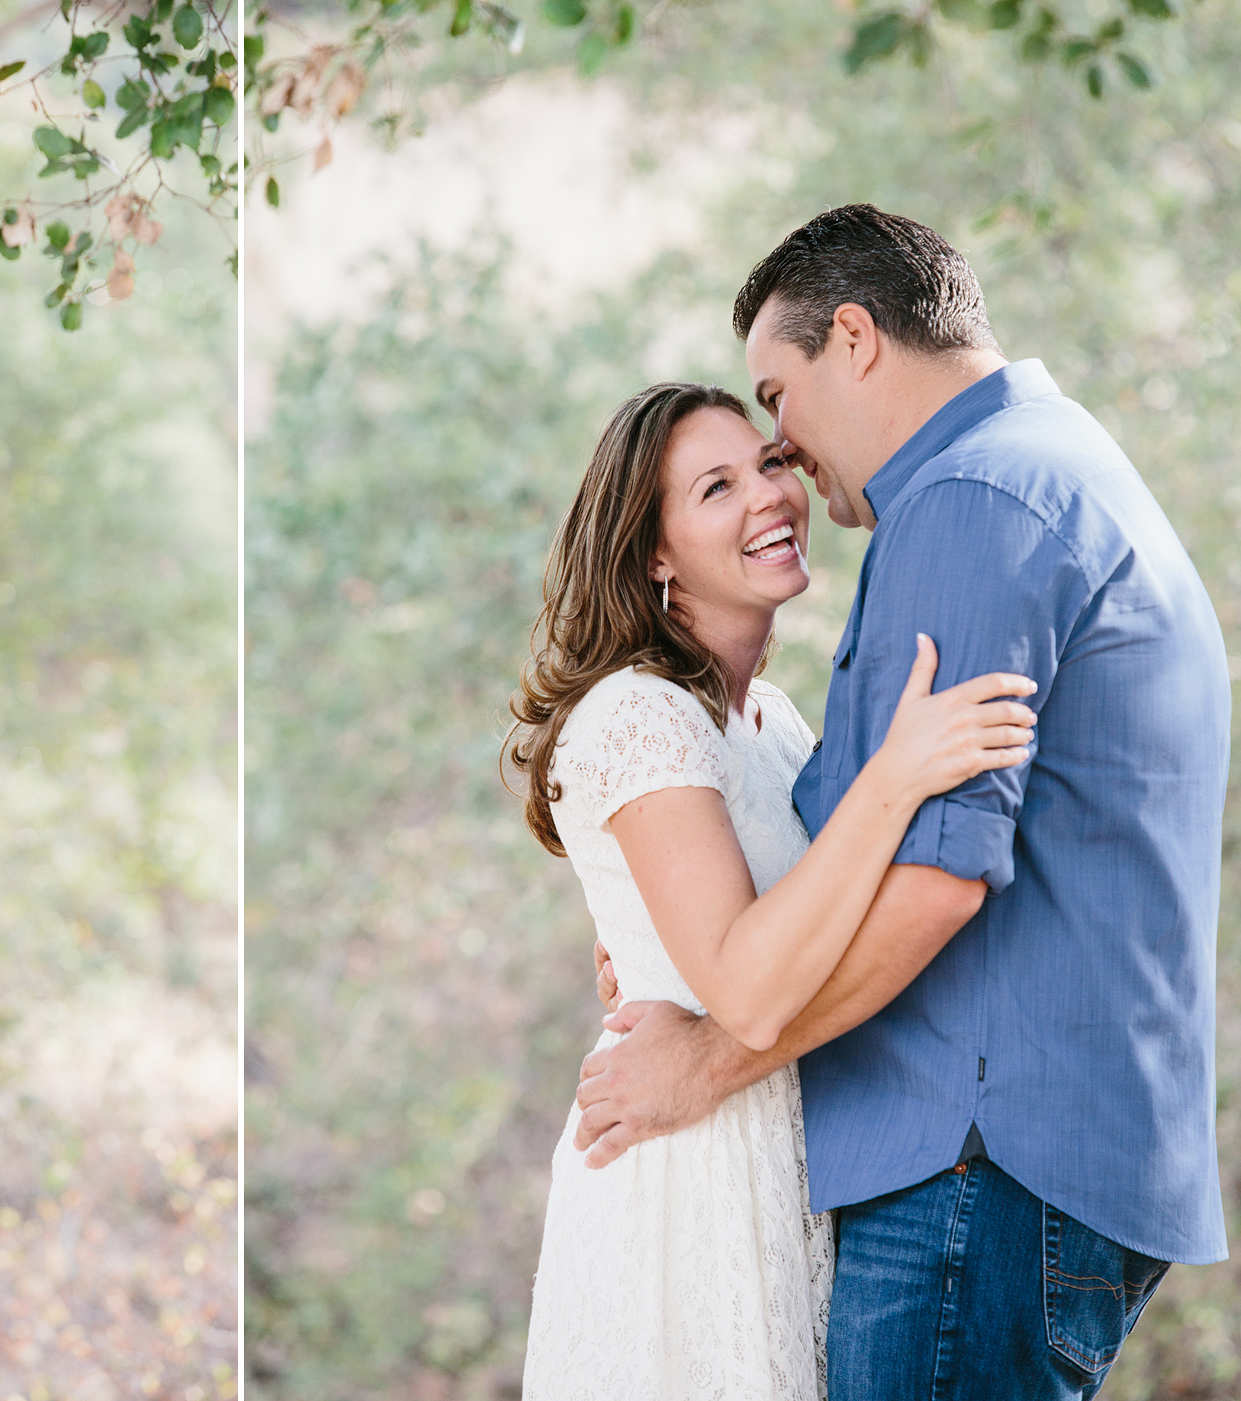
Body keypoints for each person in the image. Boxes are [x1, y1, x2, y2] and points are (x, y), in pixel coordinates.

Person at [578, 206, 1230, 1399]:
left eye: (775, 399)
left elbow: (930, 879)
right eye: (725, 471)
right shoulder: (1058, 459)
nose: (785, 450)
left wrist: (701, 1064)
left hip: (972, 1155)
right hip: (1028, 1152)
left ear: (852, 338)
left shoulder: (966, 502)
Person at [506, 382, 1036, 1398]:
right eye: (715, 486)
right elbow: (746, 989)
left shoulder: (774, 722)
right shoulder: (634, 712)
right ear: (653, 552)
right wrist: (893, 778)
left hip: (786, 1143)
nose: (768, 496)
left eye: (767, 463)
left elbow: (797, 927)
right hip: (687, 1170)